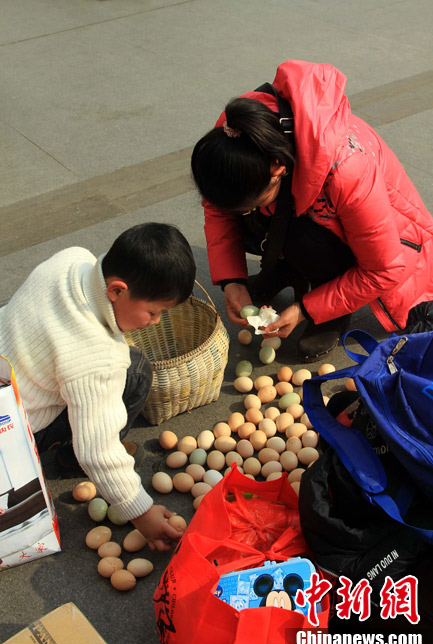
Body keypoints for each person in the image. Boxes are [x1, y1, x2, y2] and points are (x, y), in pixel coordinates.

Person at [191, 59, 433, 359]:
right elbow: (218, 208)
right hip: (299, 205)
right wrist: (232, 280)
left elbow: (383, 269)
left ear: (277, 168)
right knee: (252, 218)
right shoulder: (236, 134)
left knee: (306, 239)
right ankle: (285, 270)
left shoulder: (347, 168)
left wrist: (306, 308)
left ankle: (326, 298)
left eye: (253, 201)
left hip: (376, 244)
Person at [0, 222, 196, 551]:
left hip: (10, 367)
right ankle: (67, 459)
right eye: (153, 312)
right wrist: (142, 512)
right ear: (116, 291)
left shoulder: (71, 260)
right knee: (135, 372)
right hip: (13, 435)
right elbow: (98, 450)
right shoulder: (97, 358)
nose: (156, 322)